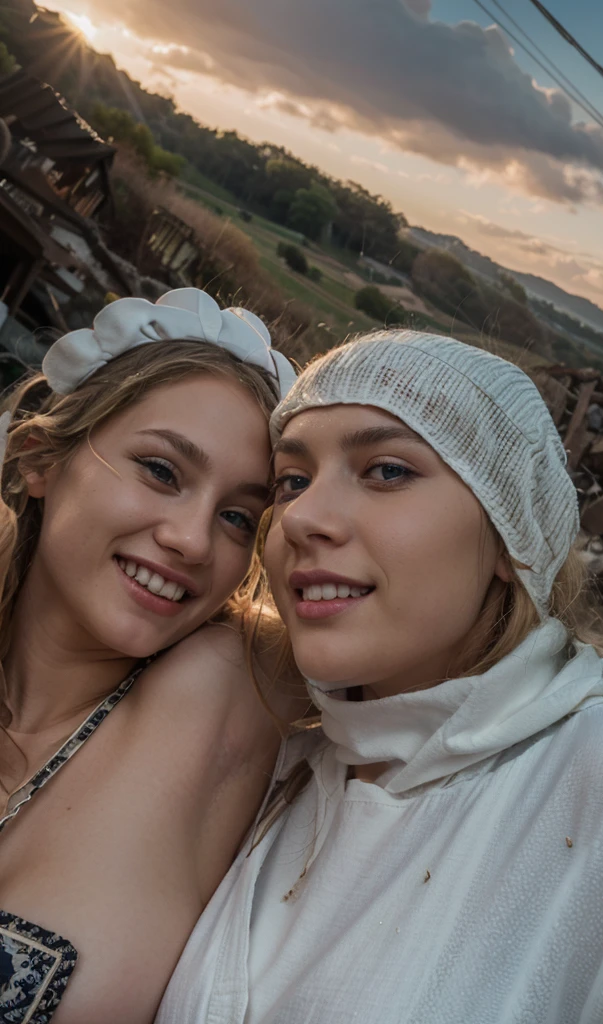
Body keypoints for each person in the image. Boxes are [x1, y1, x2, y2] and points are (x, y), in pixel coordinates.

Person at [157, 330, 603, 1024]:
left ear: (510, 538)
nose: (303, 518)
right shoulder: (276, 759)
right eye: (292, 481)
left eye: (386, 471)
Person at [0, 287, 305, 1024]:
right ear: (42, 459)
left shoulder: (242, 685)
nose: (193, 541)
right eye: (162, 472)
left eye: (237, 516)